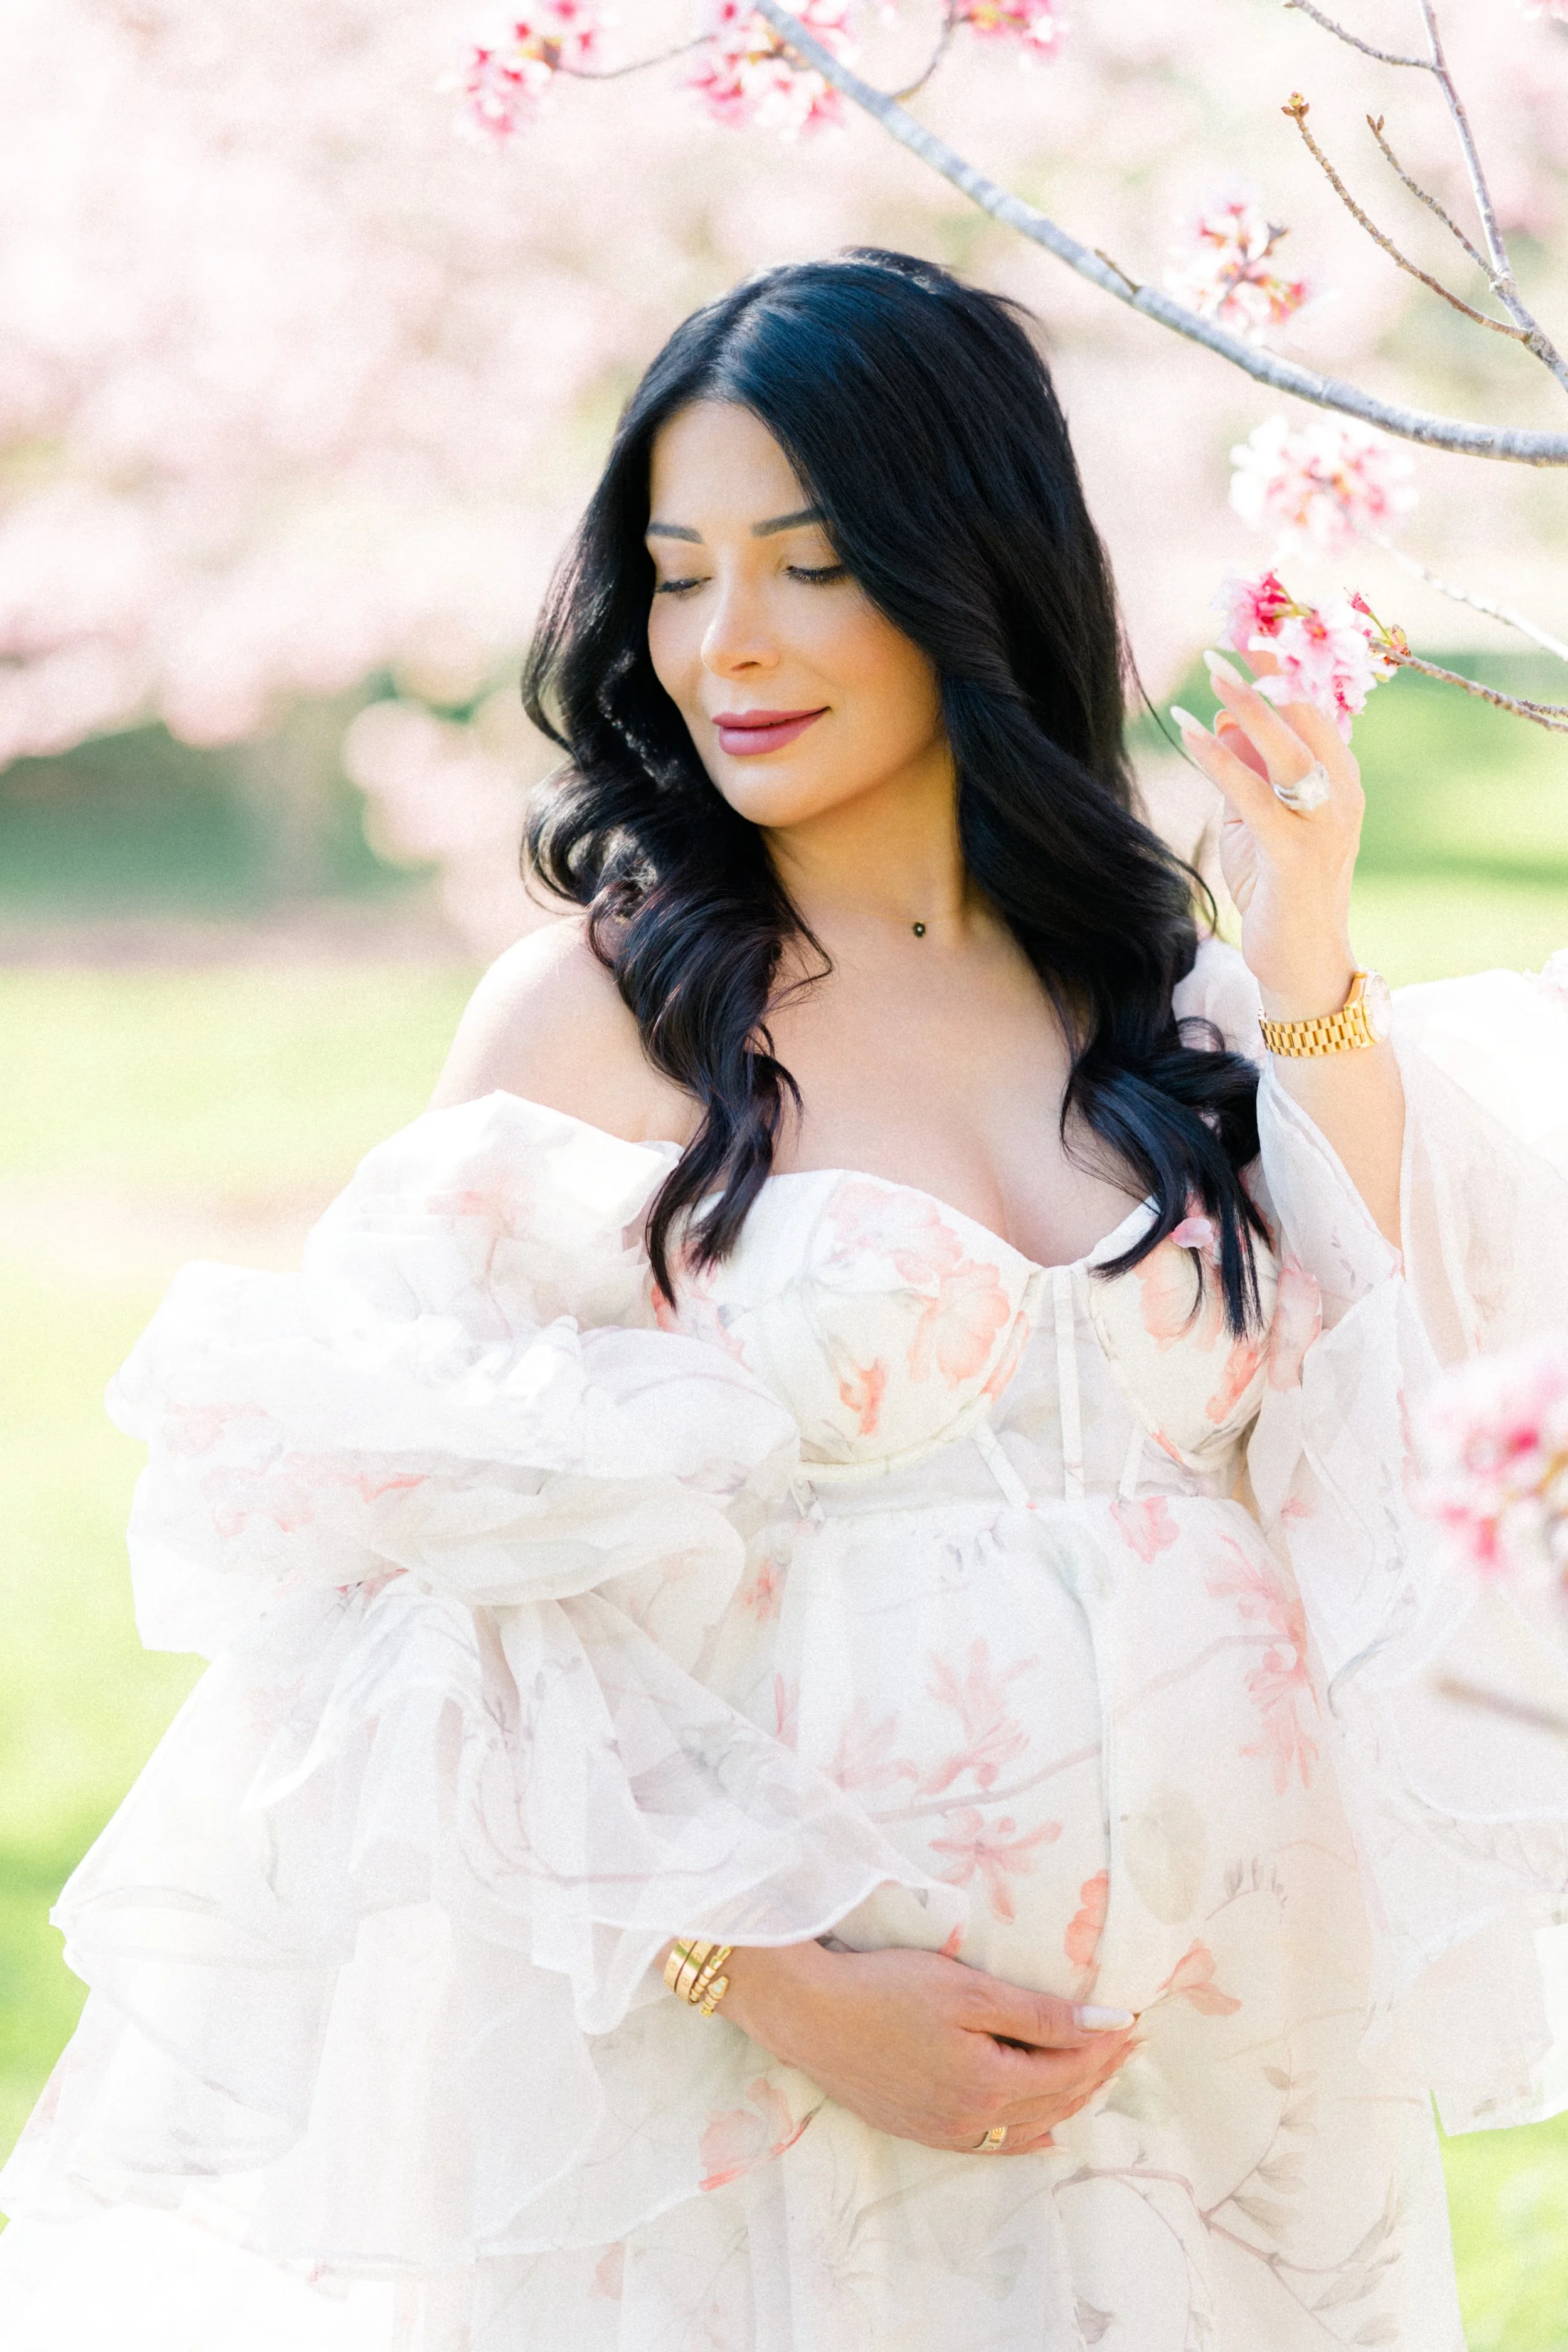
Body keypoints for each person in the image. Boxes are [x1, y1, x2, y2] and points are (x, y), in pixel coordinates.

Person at [3, 250, 1568, 2352]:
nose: (724, 642)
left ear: (965, 566)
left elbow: (1369, 1394)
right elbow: (387, 1610)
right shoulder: (598, 1026)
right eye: (675, 573)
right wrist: (766, 1972)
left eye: (807, 566)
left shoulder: (1156, 992)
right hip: (763, 2138)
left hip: (1218, 2094)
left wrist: (1304, 954)